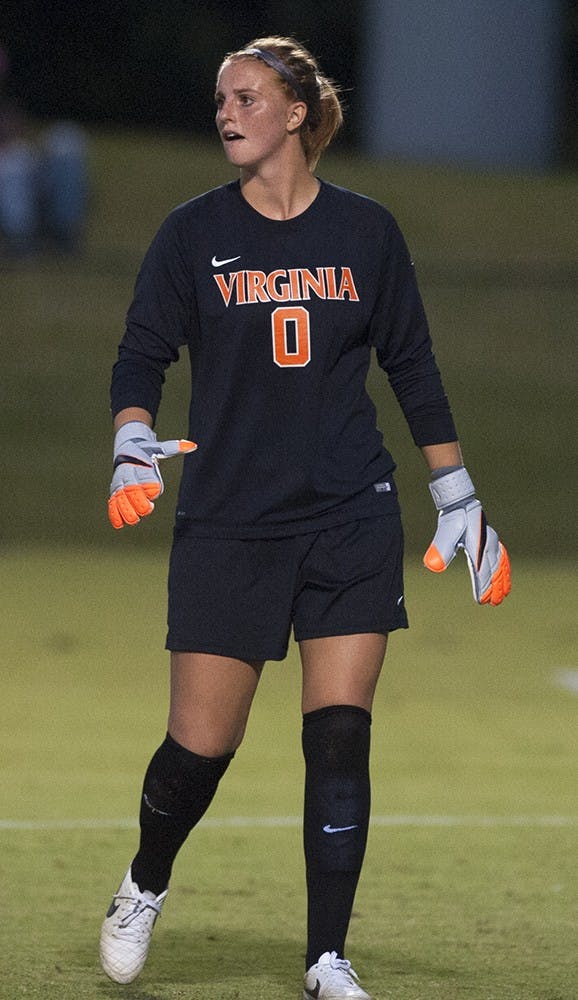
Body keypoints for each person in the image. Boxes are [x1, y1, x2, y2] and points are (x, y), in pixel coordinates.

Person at [99, 35, 511, 999]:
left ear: (295, 113)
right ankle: (144, 881)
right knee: (199, 750)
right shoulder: (192, 233)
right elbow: (139, 356)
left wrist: (456, 492)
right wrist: (129, 438)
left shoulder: (367, 233)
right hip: (230, 520)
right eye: (218, 101)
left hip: (348, 515)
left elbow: (411, 365)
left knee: (338, 736)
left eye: (245, 97)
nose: (226, 113)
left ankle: (327, 956)